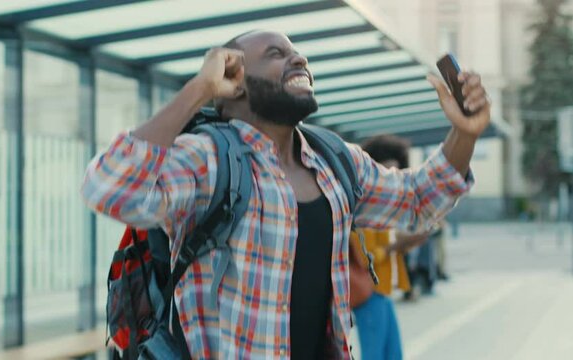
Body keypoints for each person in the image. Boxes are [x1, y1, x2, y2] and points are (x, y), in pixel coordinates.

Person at [81, 30, 490, 359]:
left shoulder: (335, 162)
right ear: (234, 85)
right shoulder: (208, 159)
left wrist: (465, 134)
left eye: (298, 54)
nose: (299, 60)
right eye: (276, 54)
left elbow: (418, 200)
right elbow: (108, 187)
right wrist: (199, 90)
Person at [348, 134, 429, 360]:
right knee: (376, 355)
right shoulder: (362, 212)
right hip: (371, 293)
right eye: (387, 171)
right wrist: (396, 246)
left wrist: (411, 240)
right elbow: (365, 260)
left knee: (393, 355)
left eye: (396, 172)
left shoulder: (382, 211)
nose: (392, 180)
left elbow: (391, 246)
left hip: (384, 292)